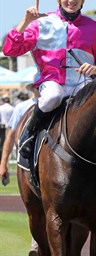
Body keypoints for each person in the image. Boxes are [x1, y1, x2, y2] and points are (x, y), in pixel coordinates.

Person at [2, 0, 96, 159]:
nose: (71, 0)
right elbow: (9, 50)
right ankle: (28, 135)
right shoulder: (40, 24)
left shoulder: (93, 27)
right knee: (52, 96)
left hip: (84, 86)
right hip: (52, 84)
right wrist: (25, 22)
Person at [0, 83, 40, 256]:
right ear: (32, 88)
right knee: (36, 206)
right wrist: (3, 164)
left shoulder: (63, 102)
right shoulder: (22, 107)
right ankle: (37, 244)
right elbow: (10, 135)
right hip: (28, 164)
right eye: (37, 86)